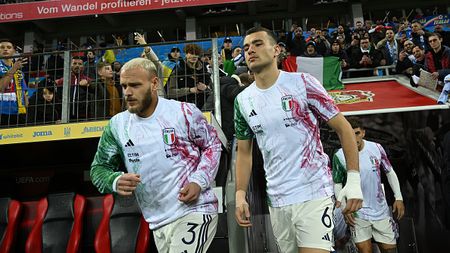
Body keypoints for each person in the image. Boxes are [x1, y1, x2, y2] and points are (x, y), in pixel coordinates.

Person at [234, 26, 363, 253]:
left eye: (257, 44)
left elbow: (344, 129)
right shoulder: (243, 101)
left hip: (314, 192)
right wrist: (240, 194)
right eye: (246, 47)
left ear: (276, 50)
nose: (250, 50)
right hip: (277, 200)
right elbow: (244, 153)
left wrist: (353, 179)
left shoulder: (303, 83)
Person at [90, 58, 222, 253]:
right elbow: (98, 168)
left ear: (154, 83)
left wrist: (198, 181)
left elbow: (213, 144)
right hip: (157, 221)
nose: (127, 92)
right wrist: (114, 180)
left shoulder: (183, 113)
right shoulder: (117, 126)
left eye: (135, 85)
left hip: (195, 210)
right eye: (124, 85)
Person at [332, 117, 405, 253]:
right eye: (350, 133)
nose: (354, 137)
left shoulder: (376, 148)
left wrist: (399, 197)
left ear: (363, 133)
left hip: (380, 211)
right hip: (357, 212)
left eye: (357, 133)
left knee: (390, 250)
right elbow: (337, 184)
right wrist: (344, 208)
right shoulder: (339, 155)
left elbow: (390, 172)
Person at [0, 39, 28, 127]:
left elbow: (24, 93)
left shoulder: (19, 71)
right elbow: (1, 87)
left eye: (8, 47)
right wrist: (14, 68)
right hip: (1, 112)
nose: (5, 49)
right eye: (2, 47)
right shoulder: (16, 68)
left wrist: (25, 107)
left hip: (18, 112)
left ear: (14, 51)